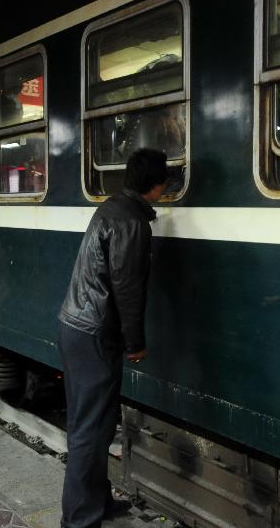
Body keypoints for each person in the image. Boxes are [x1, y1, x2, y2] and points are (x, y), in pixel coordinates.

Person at [57, 148, 168, 528]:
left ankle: (97, 502)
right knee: (91, 429)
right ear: (159, 185)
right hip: (94, 333)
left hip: (77, 325)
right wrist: (135, 342)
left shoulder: (112, 208)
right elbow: (128, 288)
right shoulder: (132, 222)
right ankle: (79, 520)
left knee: (93, 424)